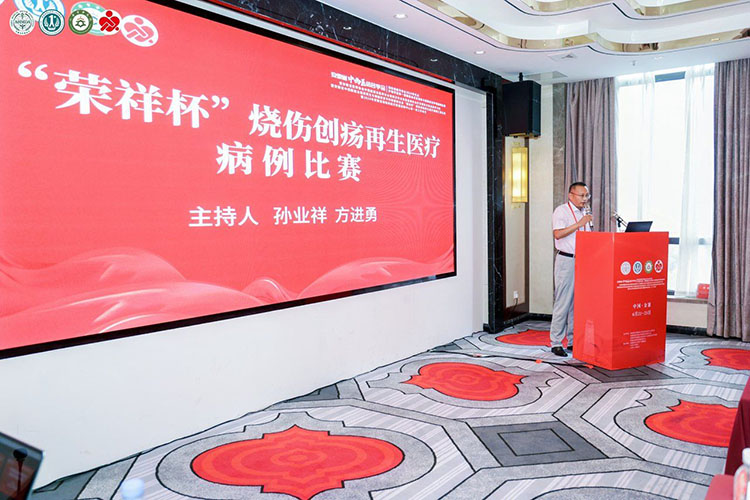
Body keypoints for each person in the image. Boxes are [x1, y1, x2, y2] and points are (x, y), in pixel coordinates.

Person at [550, 182, 593, 357]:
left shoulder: (585, 213)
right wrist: (580, 223)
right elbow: (558, 234)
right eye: (581, 195)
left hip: (583, 261)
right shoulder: (561, 211)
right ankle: (556, 342)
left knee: (577, 304)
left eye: (587, 195)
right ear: (570, 195)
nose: (585, 199)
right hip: (567, 260)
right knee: (563, 302)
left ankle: (573, 341)